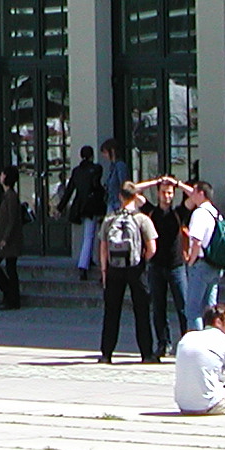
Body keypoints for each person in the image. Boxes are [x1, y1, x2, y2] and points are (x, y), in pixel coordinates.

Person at [96, 182, 159, 365]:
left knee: (111, 312)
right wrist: (142, 260)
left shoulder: (110, 218)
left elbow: (103, 247)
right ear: (135, 197)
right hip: (136, 269)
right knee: (142, 311)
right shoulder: (142, 219)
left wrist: (104, 270)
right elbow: (152, 247)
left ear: (120, 197)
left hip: (114, 268)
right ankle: (146, 353)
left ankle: (106, 353)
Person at [143, 177, 187, 356]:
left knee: (183, 306)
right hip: (156, 266)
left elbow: (196, 196)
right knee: (158, 307)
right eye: (163, 192)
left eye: (170, 193)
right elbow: (131, 191)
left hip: (176, 266)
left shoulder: (179, 212)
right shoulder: (151, 212)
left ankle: (186, 343)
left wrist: (178, 184)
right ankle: (163, 343)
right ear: (158, 194)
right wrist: (154, 182)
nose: (166, 196)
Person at [174, 177, 225, 331]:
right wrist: (179, 185)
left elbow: (196, 241)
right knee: (210, 310)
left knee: (193, 310)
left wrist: (190, 261)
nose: (191, 195)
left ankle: (197, 345)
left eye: (194, 192)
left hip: (201, 264)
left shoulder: (199, 213)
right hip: (215, 264)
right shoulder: (216, 213)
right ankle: (211, 343)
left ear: (201, 194)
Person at [64, 146, 107, 280]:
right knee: (90, 235)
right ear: (92, 156)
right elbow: (96, 185)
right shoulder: (96, 169)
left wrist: (60, 207)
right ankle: (83, 265)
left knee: (87, 235)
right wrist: (103, 192)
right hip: (92, 205)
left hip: (79, 206)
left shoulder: (77, 171)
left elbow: (69, 190)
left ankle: (87, 259)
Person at [0, 167, 24, 311]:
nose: (0, 176)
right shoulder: (7, 195)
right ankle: (9, 295)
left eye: (3, 174)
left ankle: (12, 297)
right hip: (5, 239)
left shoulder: (11, 196)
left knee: (3, 266)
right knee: (5, 267)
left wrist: (5, 238)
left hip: (9, 240)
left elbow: (12, 219)